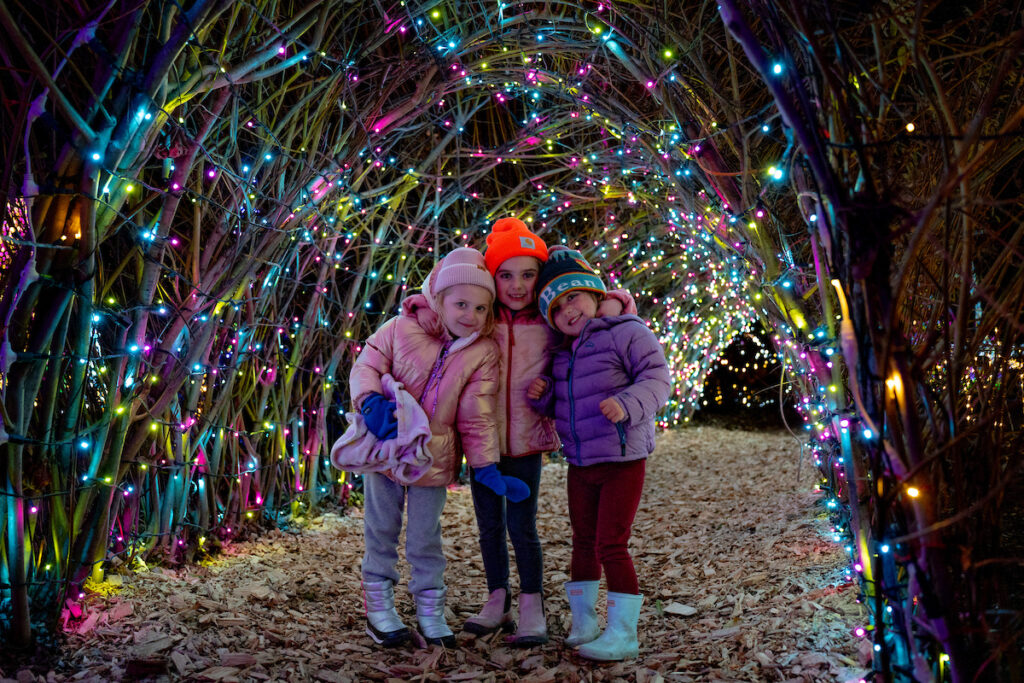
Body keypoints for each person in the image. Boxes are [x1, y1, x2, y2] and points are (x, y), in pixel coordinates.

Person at [460, 218, 636, 648]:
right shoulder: (481, 318)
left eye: (527, 275)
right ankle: (496, 597)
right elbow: (444, 303)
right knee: (487, 525)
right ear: (491, 277)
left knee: (523, 525)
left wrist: (613, 302)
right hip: (481, 439)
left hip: (526, 438)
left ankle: (532, 602)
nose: (517, 286)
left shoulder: (550, 321)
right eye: (505, 275)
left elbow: (595, 321)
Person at [347, 247, 529, 649]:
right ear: (438, 299)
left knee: (425, 537)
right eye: (461, 304)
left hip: (434, 456)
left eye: (481, 308)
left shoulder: (482, 352)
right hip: (387, 448)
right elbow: (366, 366)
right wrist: (370, 401)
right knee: (381, 530)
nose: (471, 315)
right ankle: (378, 609)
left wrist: (485, 467)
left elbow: (476, 415)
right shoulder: (399, 328)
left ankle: (430, 610)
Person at [527, 246, 671, 661]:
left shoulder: (627, 331)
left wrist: (627, 403)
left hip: (622, 460)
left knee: (612, 543)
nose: (568, 311)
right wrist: (543, 397)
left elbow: (658, 378)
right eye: (556, 308)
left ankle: (623, 633)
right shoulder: (562, 353)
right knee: (582, 542)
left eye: (573, 297)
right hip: (581, 463)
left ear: (594, 293)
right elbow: (563, 406)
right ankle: (584, 622)